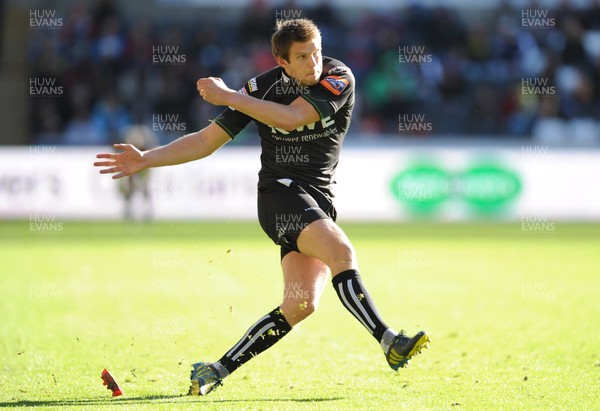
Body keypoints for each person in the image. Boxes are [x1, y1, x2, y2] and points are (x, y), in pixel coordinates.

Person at [94, 18, 429, 396]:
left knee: (300, 305)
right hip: (280, 195)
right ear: (281, 61)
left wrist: (229, 97)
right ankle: (389, 341)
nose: (313, 62)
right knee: (341, 252)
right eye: (301, 57)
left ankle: (215, 369)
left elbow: (294, 116)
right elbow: (206, 140)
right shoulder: (262, 88)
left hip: (318, 200)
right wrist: (146, 159)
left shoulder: (338, 77)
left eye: (316, 52)